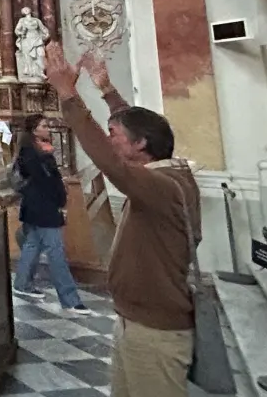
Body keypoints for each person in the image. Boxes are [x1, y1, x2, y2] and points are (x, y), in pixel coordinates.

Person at [46, 44, 200, 397]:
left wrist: (69, 95)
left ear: (141, 145)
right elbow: (132, 129)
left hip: (155, 332)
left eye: (114, 135)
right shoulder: (164, 170)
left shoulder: (161, 187)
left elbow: (111, 162)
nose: (110, 139)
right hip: (137, 322)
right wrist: (106, 89)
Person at [12, 112, 90, 314]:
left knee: (32, 245)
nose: (48, 128)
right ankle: (70, 300)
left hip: (36, 206)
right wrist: (59, 200)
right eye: (44, 126)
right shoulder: (31, 153)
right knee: (56, 253)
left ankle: (22, 284)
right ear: (34, 131)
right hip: (42, 207)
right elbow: (44, 181)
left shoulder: (37, 151)